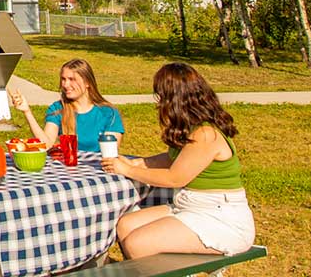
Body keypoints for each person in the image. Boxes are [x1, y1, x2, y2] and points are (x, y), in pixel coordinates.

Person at [103, 63, 255, 259]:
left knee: (138, 243)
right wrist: (138, 163)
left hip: (221, 217)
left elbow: (175, 178)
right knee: (126, 224)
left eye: (162, 97)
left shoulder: (206, 134)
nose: (158, 103)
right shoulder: (192, 128)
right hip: (189, 206)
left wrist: (127, 170)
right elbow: (173, 158)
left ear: (176, 99)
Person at [11, 58, 123, 153]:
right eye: (63, 79)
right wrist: (27, 112)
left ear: (87, 83)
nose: (65, 84)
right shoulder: (58, 109)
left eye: (72, 79)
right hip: (68, 170)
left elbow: (111, 153)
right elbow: (47, 144)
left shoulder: (108, 113)